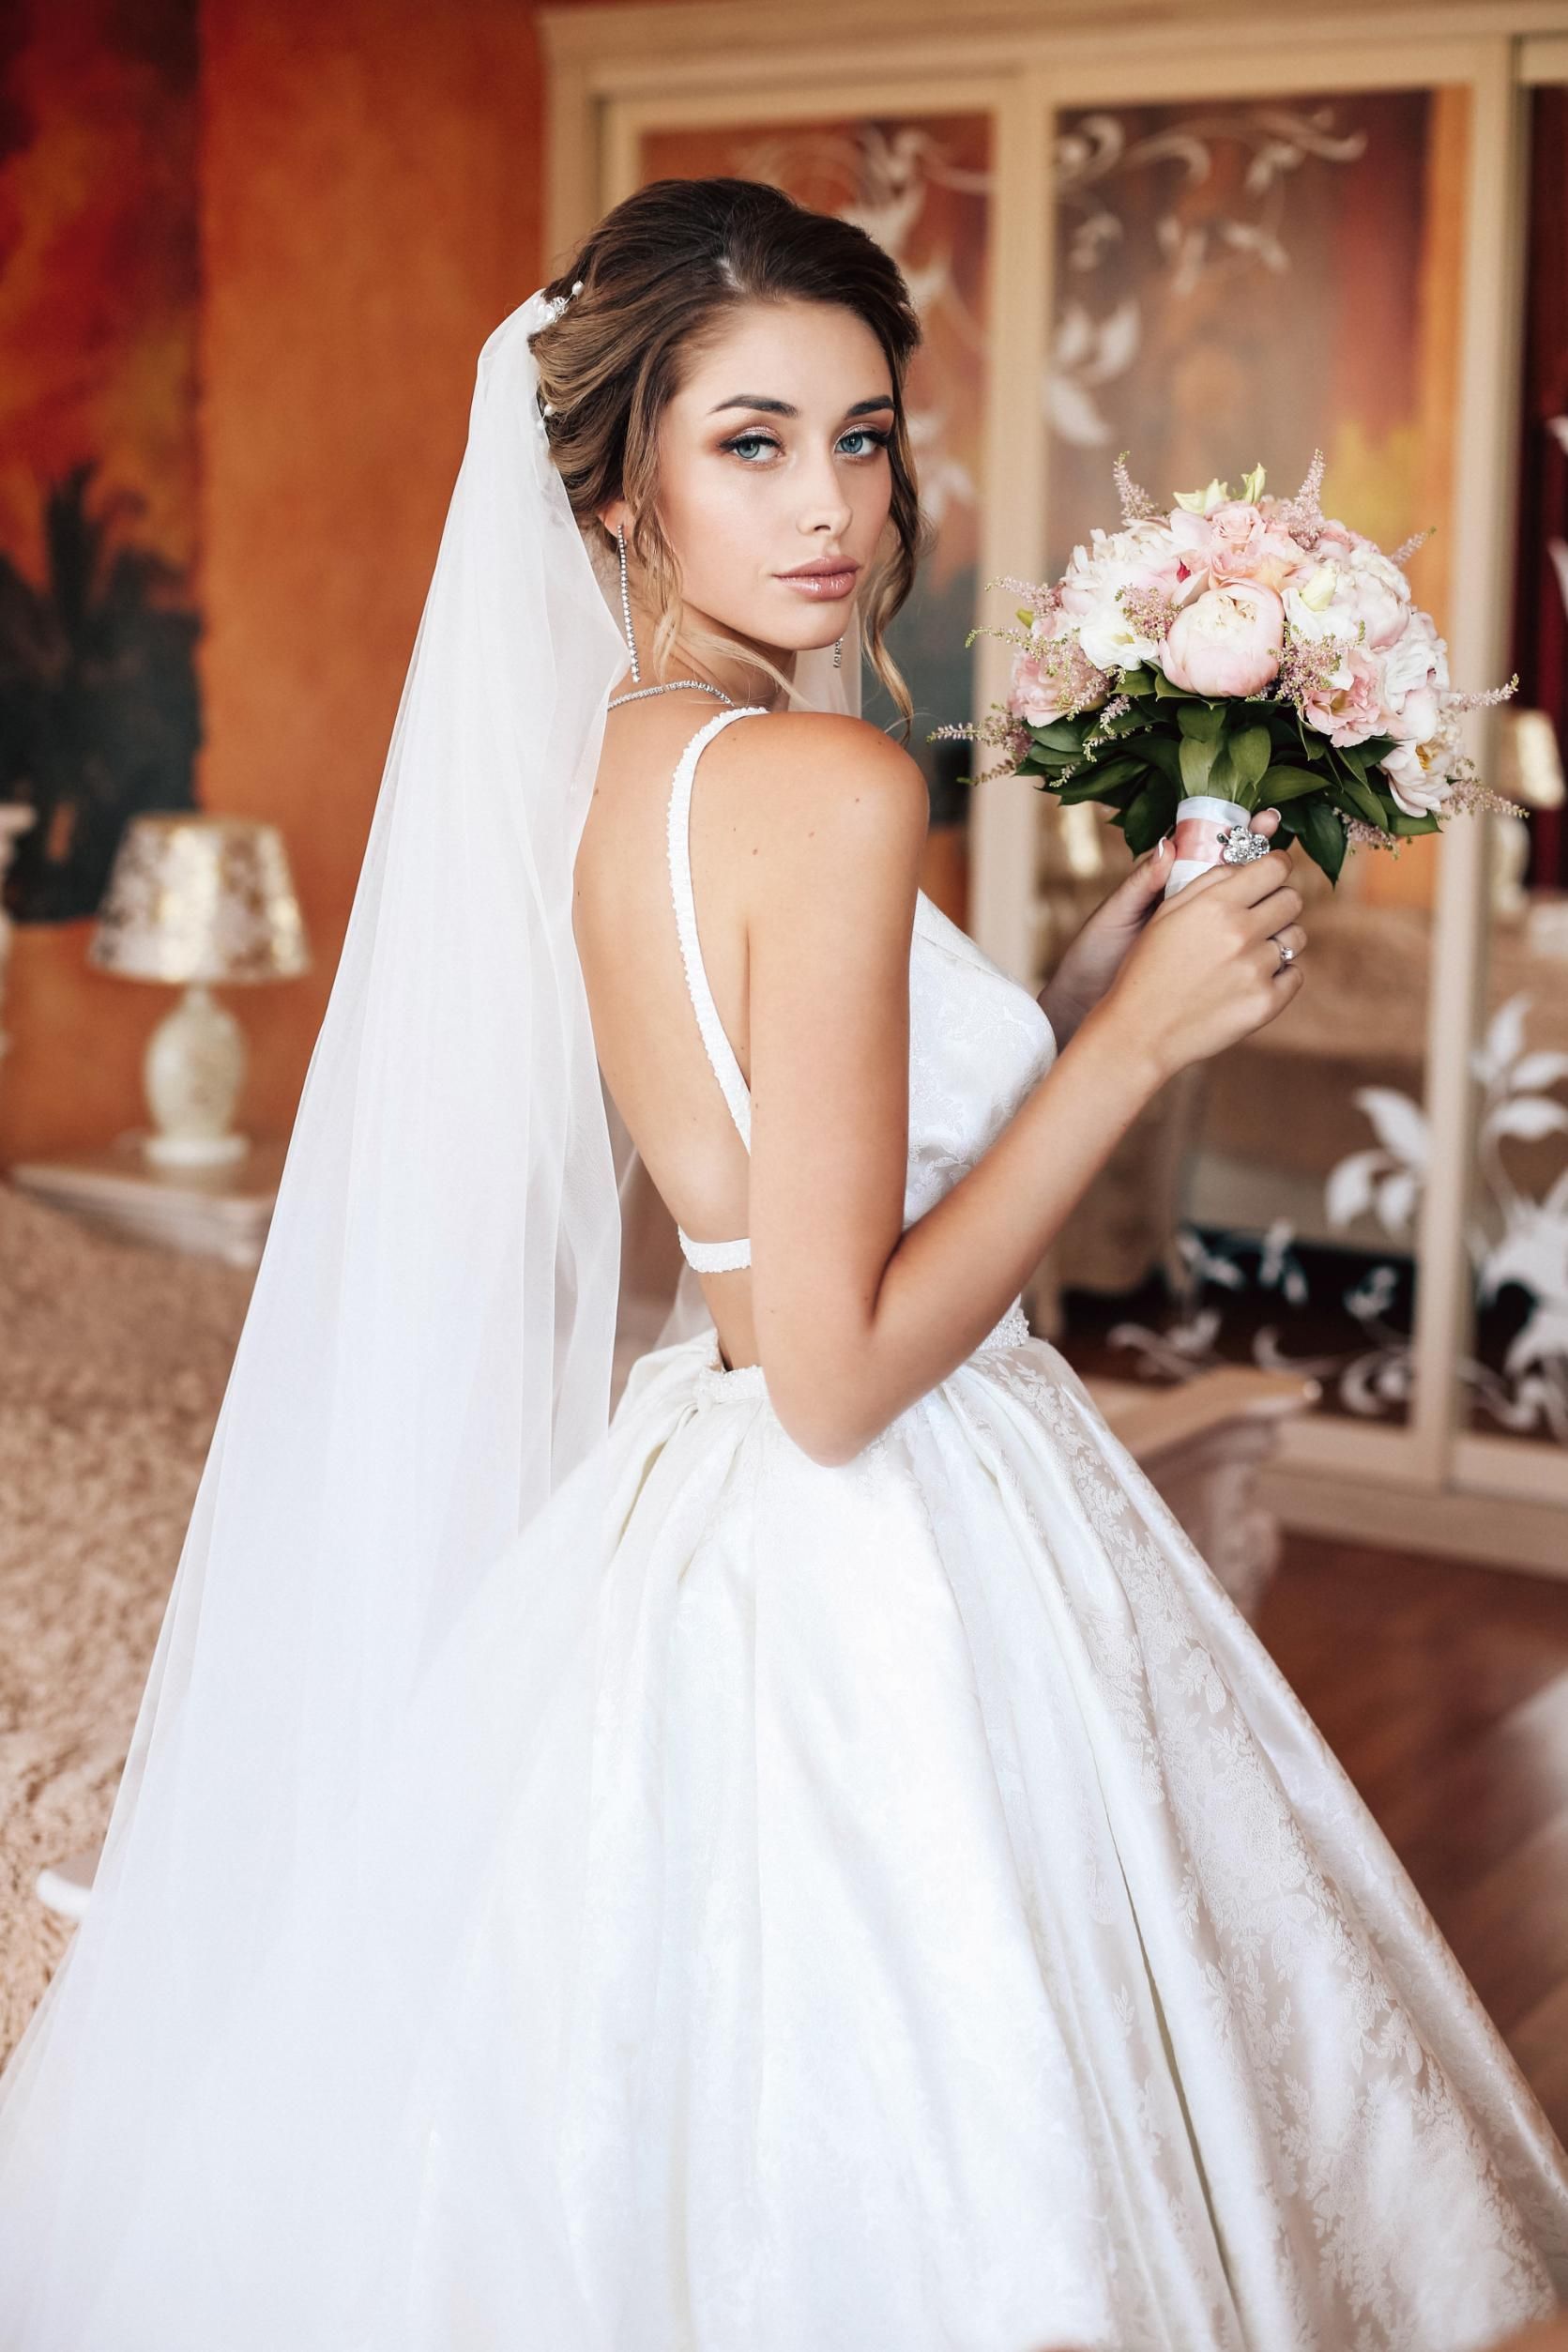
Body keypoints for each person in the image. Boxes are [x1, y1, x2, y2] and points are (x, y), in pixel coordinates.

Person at [0, 175, 1564, 2352]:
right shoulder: (826, 781)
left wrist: (1057, 985)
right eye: (748, 441)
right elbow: (828, 1366)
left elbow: (773, 1184)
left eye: (859, 433)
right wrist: (1123, 1050)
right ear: (617, 484)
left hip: (714, 1504)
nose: (829, 503)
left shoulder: (633, 760)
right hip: (878, 1524)